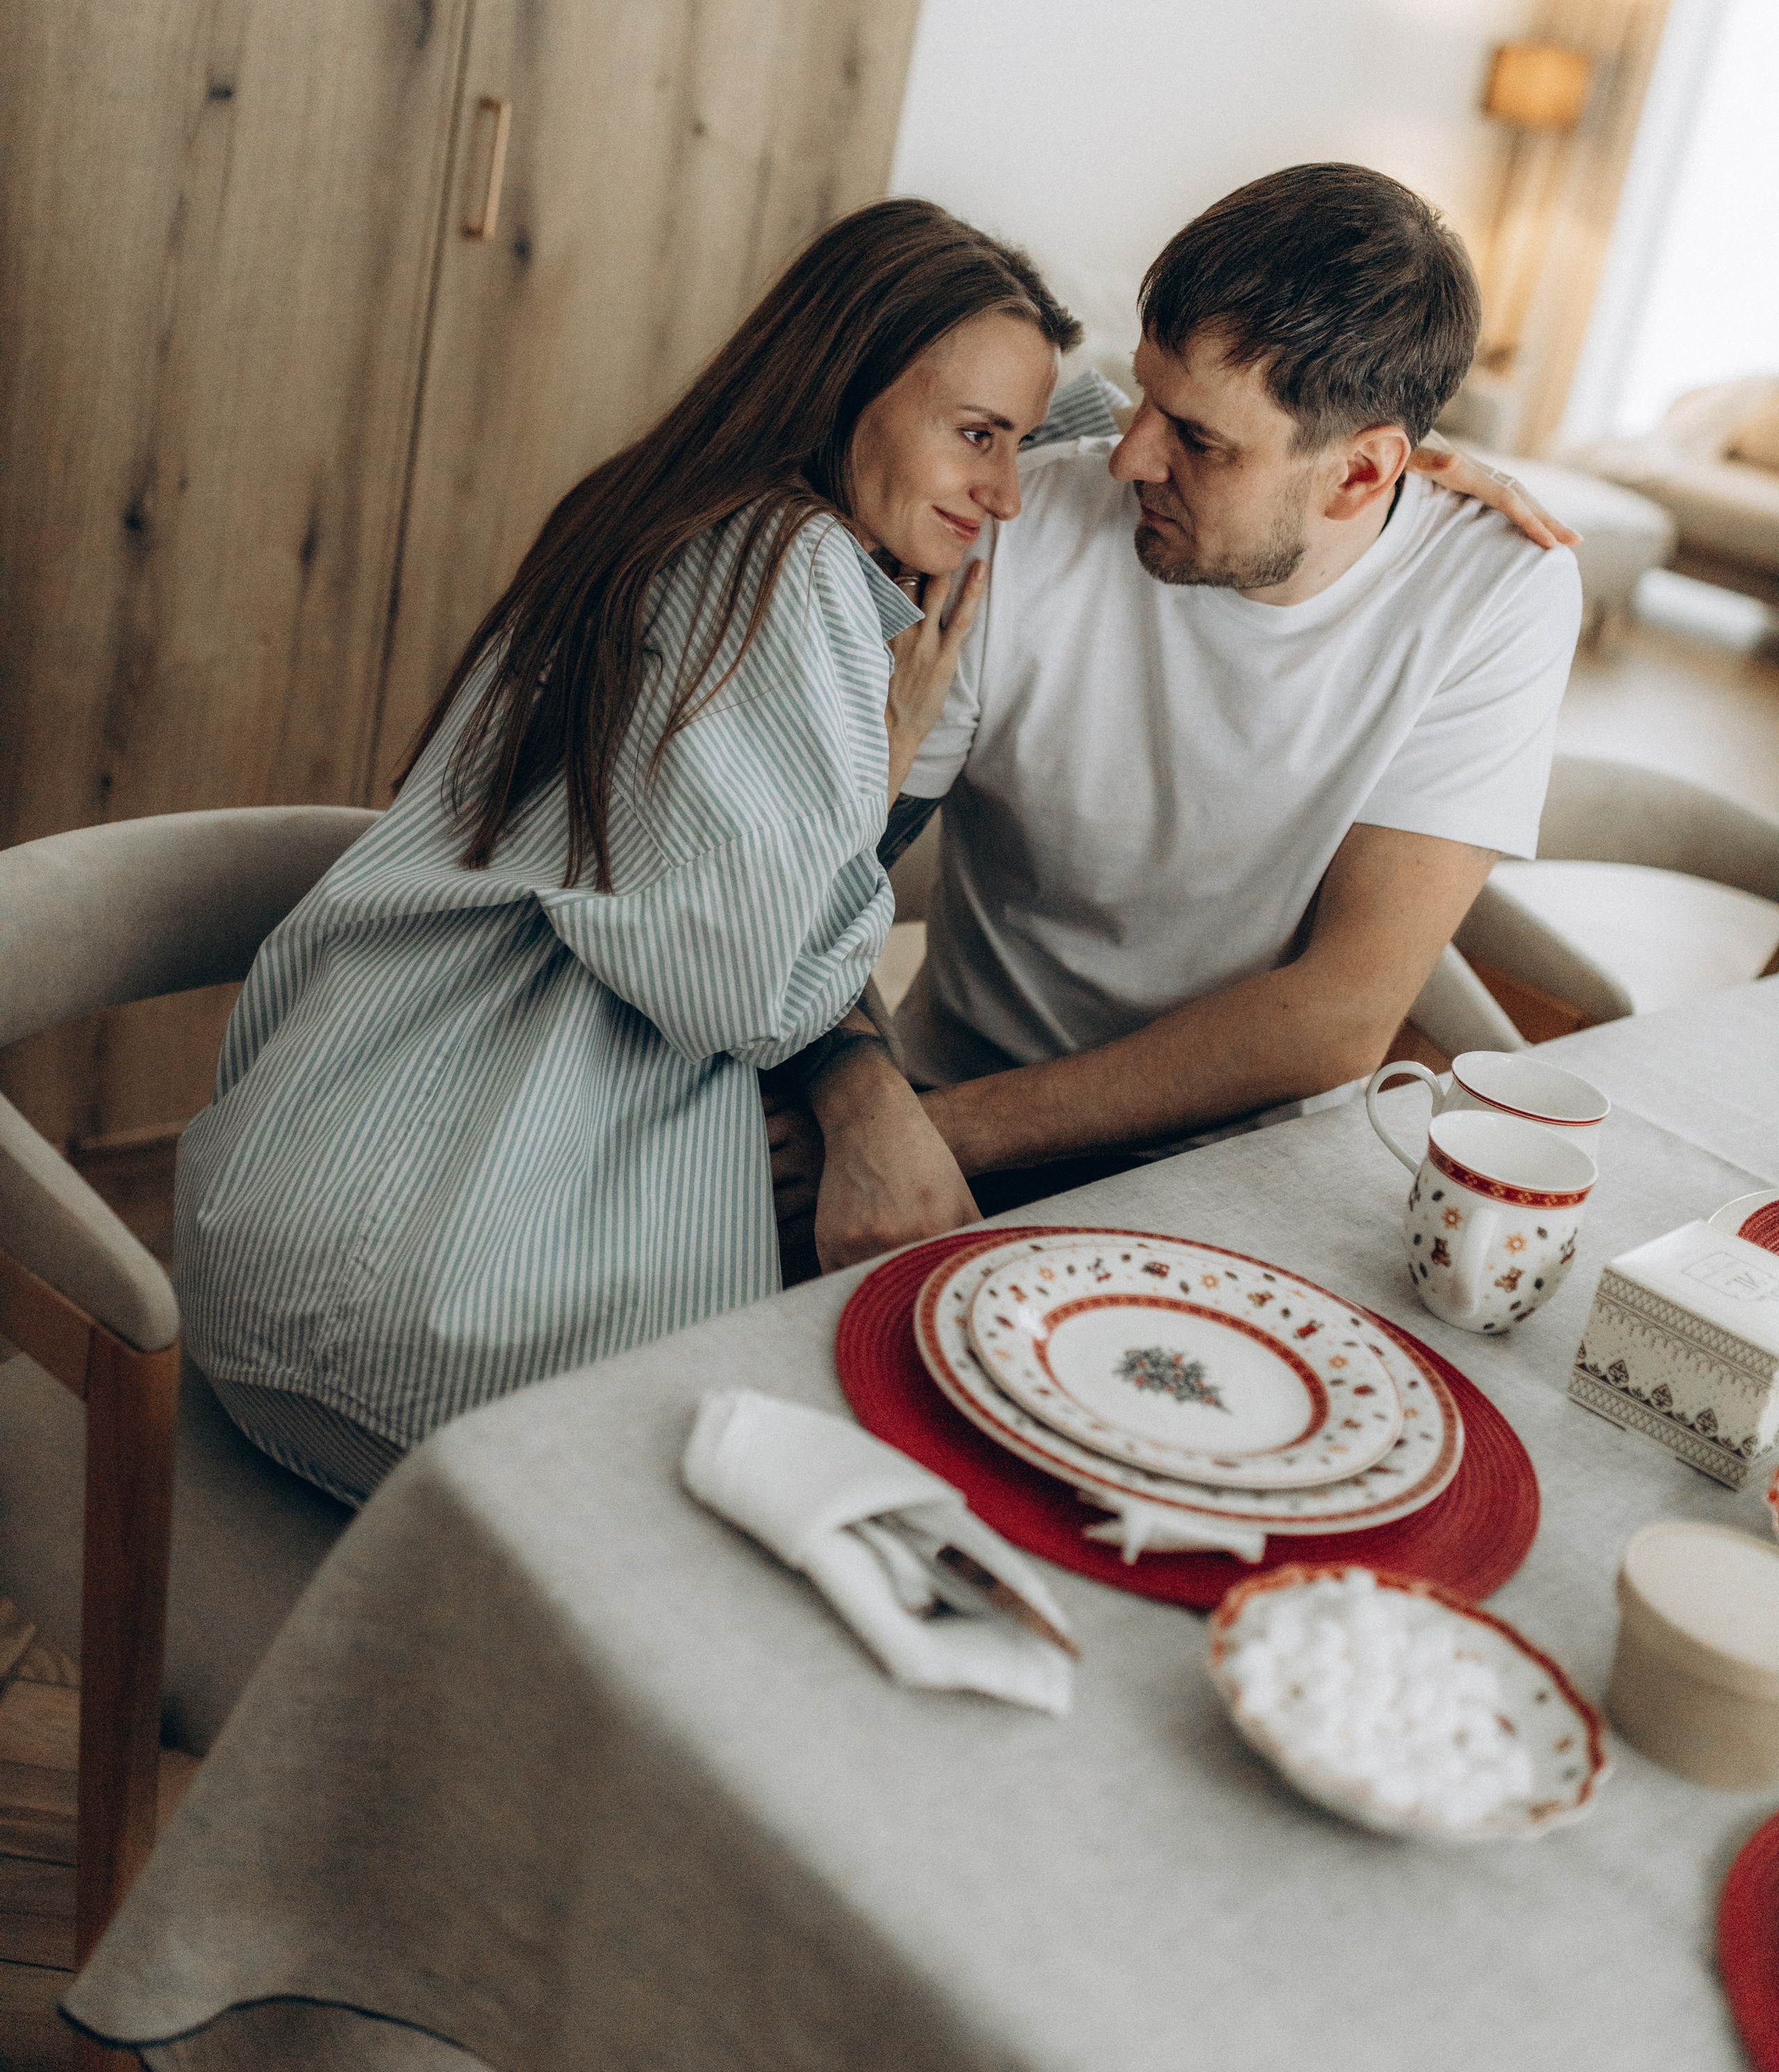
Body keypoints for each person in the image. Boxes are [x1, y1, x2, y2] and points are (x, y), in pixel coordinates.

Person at [176, 200, 1080, 1503]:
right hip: (449, 1349)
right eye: (978, 436)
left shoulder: (646, 509)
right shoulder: (797, 567)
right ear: (847, 384)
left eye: (1025, 445)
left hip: (260, 1254)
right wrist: (882, 761)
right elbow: (739, 987)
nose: (1006, 497)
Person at [772, 163, 1584, 1259]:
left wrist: (935, 1135)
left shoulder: (1501, 587)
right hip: (951, 1090)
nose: (1130, 454)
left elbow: (1342, 1013)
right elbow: (812, 880)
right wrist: (866, 1096)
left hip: (1236, 1167)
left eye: (1198, 440)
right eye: (1141, 392)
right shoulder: (1014, 529)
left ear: (1362, 473)